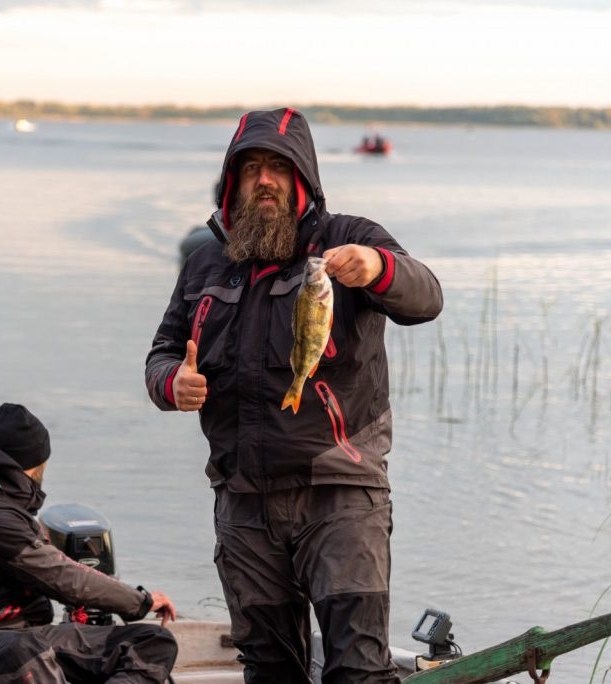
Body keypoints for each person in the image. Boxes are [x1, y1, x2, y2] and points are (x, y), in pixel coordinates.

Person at [145, 108, 443, 683]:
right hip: (242, 502)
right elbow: (161, 351)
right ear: (232, 180)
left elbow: (425, 296)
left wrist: (379, 267)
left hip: (340, 493)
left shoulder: (348, 239)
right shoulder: (206, 261)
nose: (264, 179)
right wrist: (171, 383)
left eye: (278, 167)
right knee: (269, 669)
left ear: (303, 179)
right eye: (251, 166)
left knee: (357, 668)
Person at [0, 402, 179, 683]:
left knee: (154, 642)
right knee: (21, 652)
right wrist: (141, 601)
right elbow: (62, 577)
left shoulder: (0, 506)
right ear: (37, 463)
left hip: (31, 636)